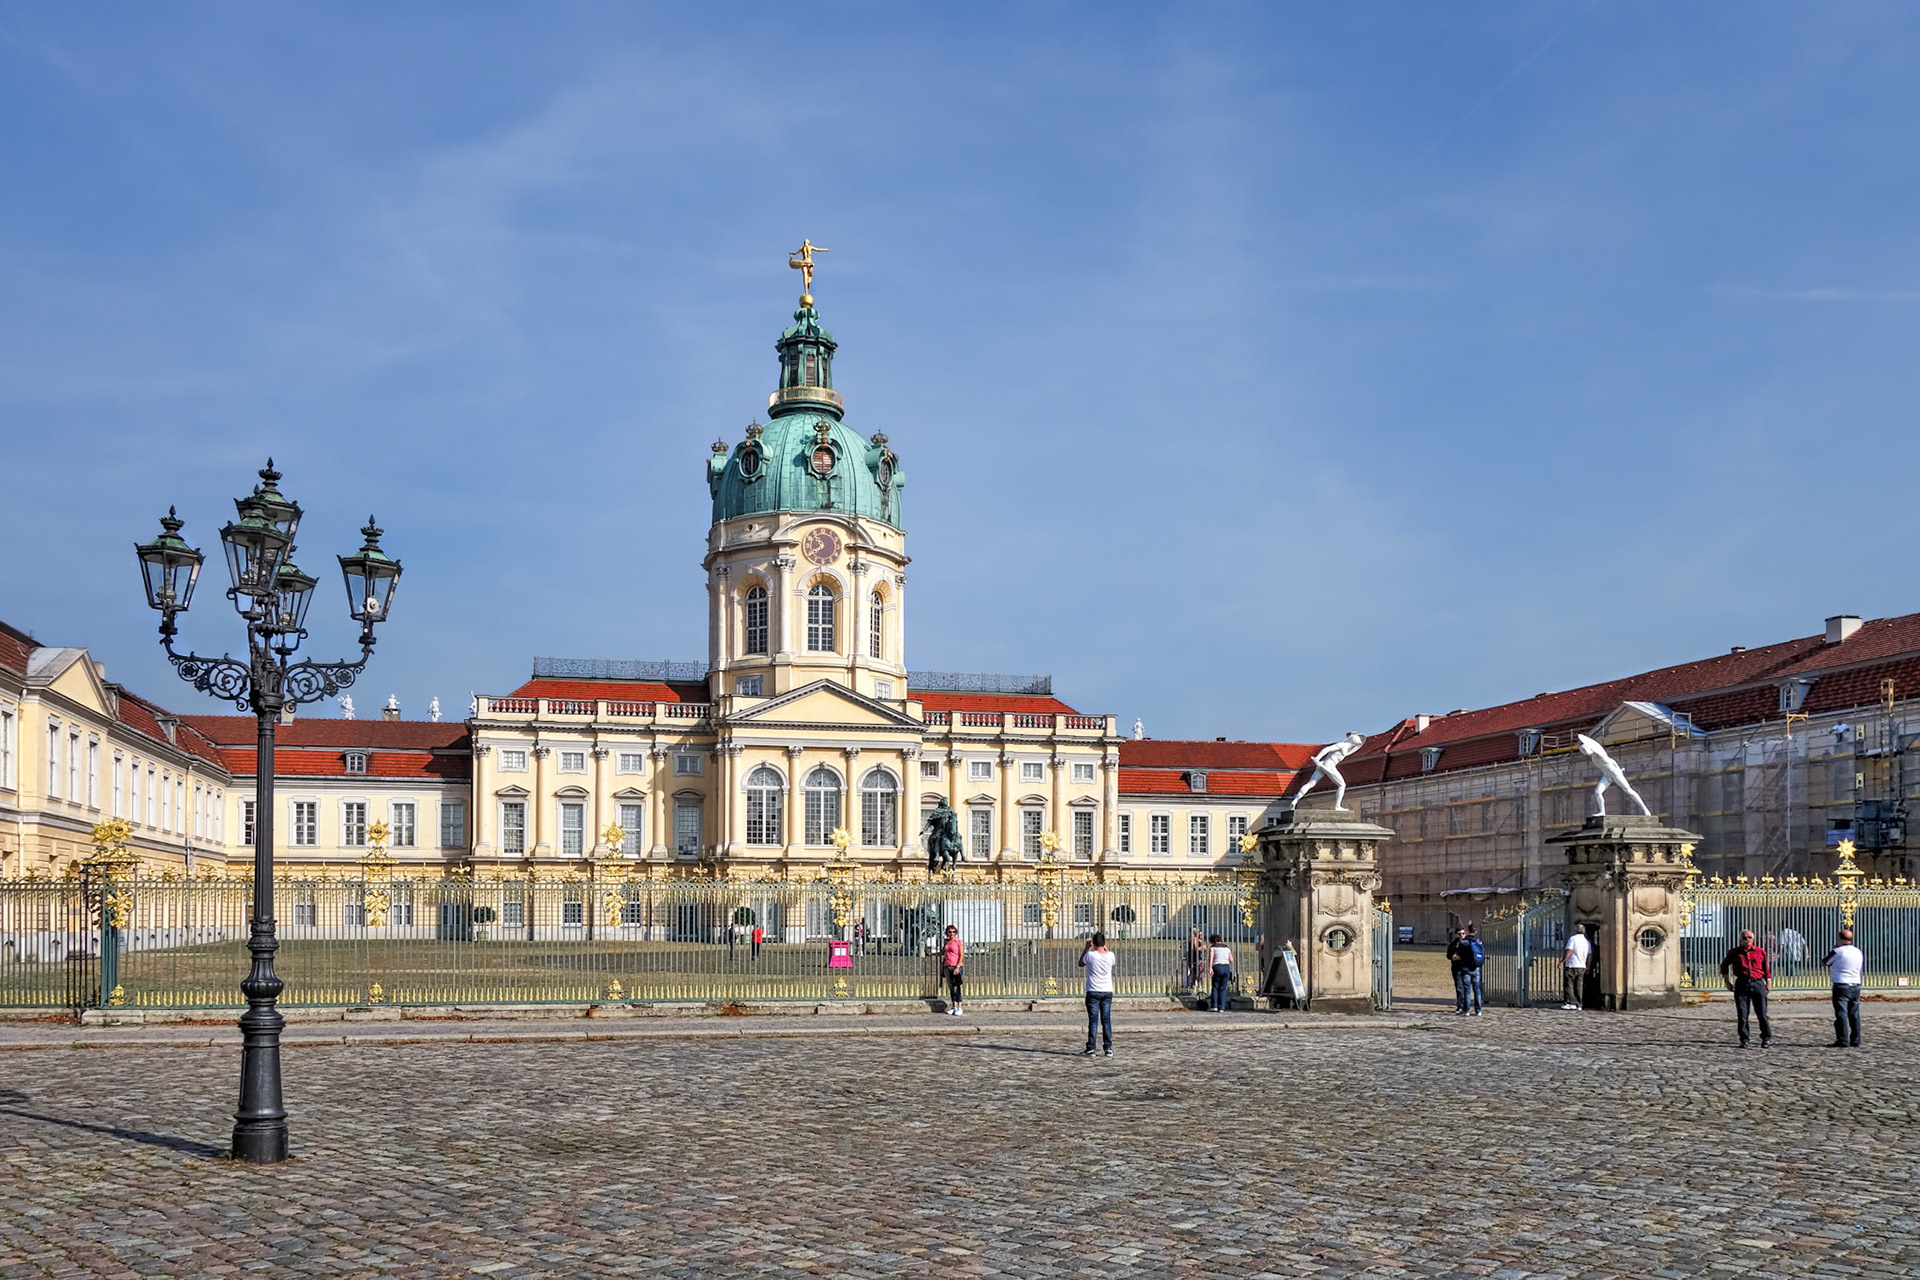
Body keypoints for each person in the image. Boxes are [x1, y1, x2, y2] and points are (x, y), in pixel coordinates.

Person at [1718, 927, 1773, 1049]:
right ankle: (1744, 1039)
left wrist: (1768, 982)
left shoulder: (1760, 952)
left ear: (1753, 939)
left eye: (1749, 938)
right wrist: (1727, 981)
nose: (1747, 940)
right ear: (1740, 940)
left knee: (1762, 1013)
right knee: (1743, 1014)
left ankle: (1766, 1037)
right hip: (1742, 983)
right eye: (1744, 938)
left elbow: (1766, 969)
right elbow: (1724, 966)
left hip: (1758, 983)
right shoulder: (1734, 952)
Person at [1823, 927, 1864, 1048]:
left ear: (1839, 938)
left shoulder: (1838, 951)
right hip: (1856, 984)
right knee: (1854, 1014)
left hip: (1842, 984)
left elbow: (1825, 962)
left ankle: (1843, 1039)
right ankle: (1855, 1039)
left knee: (1841, 1013)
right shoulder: (1858, 951)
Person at [1080, 931, 1117, 1057]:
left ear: (1093, 944)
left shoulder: (1090, 955)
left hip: (1093, 990)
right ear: (1104, 943)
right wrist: (1104, 947)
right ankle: (1108, 1048)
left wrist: (1086, 948)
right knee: (1106, 1021)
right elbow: (1107, 954)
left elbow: (1081, 963)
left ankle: (1091, 1048)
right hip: (1107, 991)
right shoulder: (1111, 955)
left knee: (1093, 1021)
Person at [1449, 924, 1485, 1016]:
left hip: (1466, 968)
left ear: (1468, 931)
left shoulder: (1464, 942)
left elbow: (1460, 954)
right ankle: (1478, 1010)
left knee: (1467, 989)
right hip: (1476, 967)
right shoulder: (1478, 941)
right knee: (1477, 989)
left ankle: (1467, 1010)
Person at [1562, 926, 1593, 1010]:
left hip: (1572, 965)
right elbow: (1589, 955)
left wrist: (1563, 961)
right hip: (1582, 966)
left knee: (1569, 984)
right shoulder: (1587, 942)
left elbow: (1569, 951)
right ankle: (1579, 1004)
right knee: (1579, 986)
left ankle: (1572, 1003)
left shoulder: (1573, 939)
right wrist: (1588, 966)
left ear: (1575, 930)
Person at [940, 924, 966, 1017]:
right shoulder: (947, 942)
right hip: (948, 966)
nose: (952, 933)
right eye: (950, 932)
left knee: (956, 987)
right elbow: (943, 952)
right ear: (947, 933)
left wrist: (958, 966)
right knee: (951, 987)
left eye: (954, 932)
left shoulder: (958, 942)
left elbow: (961, 955)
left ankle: (959, 1006)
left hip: (956, 966)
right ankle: (954, 1006)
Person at [1207, 934, 1234, 1012]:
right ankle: (1222, 1007)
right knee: (1223, 988)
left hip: (1217, 966)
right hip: (1226, 967)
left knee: (1215, 987)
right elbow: (1231, 960)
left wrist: (1210, 968)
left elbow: (1211, 958)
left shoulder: (1213, 948)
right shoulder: (1227, 948)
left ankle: (1214, 1006)